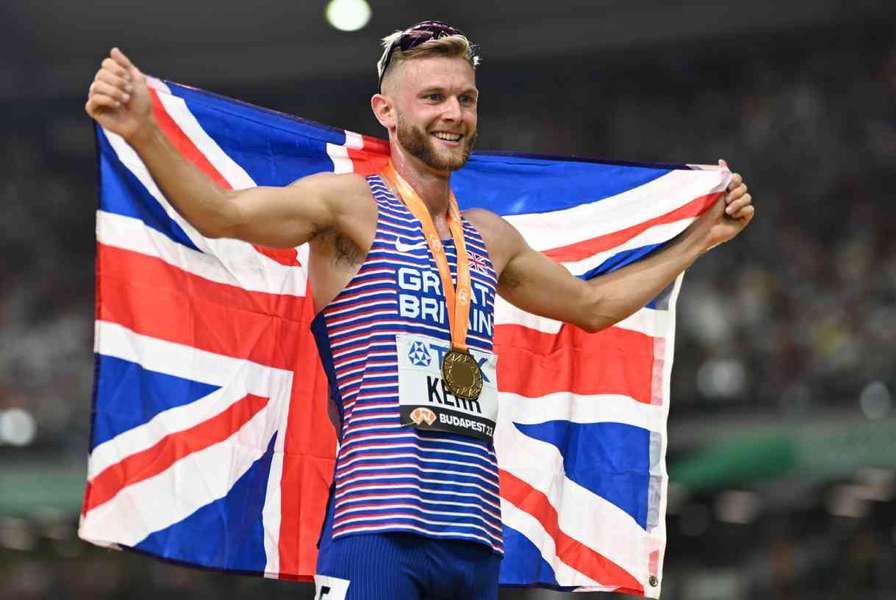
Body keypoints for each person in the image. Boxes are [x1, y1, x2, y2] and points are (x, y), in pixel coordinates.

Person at [85, 20, 754, 600]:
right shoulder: (348, 207)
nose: (453, 113)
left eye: (465, 98)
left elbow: (594, 305)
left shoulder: (491, 237)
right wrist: (142, 131)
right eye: (432, 97)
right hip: (376, 530)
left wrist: (699, 239)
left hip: (475, 540)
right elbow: (221, 214)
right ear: (386, 110)